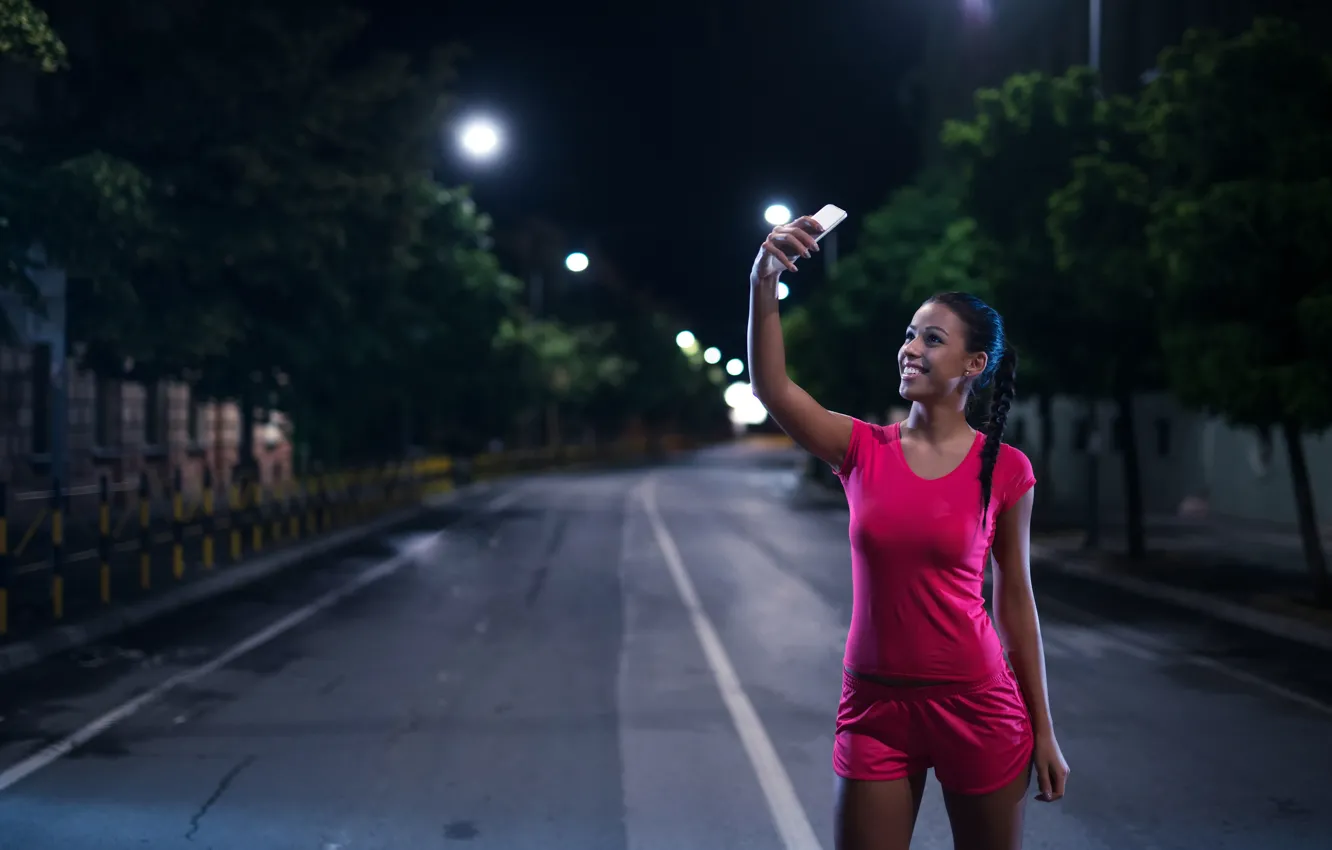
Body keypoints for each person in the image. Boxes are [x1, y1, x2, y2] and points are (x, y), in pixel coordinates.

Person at [747, 215, 1069, 850]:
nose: (910, 348)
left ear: (974, 364)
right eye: (909, 335)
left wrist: (1045, 728)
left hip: (978, 706)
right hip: (874, 711)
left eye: (932, 339)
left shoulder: (1006, 469)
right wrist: (762, 281)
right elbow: (773, 387)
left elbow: (1015, 601)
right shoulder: (862, 448)